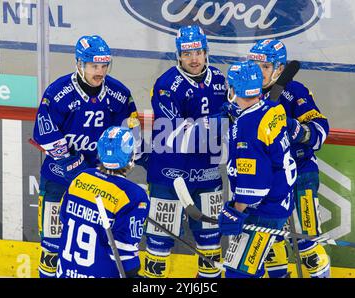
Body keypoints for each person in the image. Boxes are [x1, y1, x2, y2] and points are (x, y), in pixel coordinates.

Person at [32, 35, 140, 278]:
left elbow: (130, 131)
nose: (99, 71)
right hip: (59, 181)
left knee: (95, 249)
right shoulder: (59, 92)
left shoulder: (119, 94)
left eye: (103, 66)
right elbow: (43, 131)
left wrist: (132, 156)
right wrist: (71, 161)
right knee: (51, 250)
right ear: (79, 64)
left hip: (100, 185)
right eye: (93, 66)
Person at [143, 25, 228, 278]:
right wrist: (222, 119)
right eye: (187, 53)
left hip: (208, 175)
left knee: (211, 248)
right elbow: (178, 135)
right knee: (158, 248)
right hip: (169, 176)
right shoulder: (166, 85)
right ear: (179, 55)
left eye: (198, 52)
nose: (193, 59)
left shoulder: (221, 80)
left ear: (206, 52)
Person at [248, 39, 331, 278]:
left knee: (307, 245)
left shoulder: (295, 92)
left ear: (280, 69)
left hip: (301, 172)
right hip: (268, 178)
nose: (258, 72)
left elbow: (321, 129)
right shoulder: (245, 92)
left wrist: (299, 130)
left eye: (264, 67)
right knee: (271, 246)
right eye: (254, 65)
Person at [218, 60, 297, 278]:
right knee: (252, 268)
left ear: (233, 90)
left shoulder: (247, 128)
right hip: (281, 201)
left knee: (239, 273)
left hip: (263, 211)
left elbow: (255, 184)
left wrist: (236, 211)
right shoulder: (273, 108)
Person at [55, 126, 149, 278]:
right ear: (131, 156)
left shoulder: (80, 178)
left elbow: (63, 218)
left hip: (65, 273)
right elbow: (124, 255)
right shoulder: (133, 196)